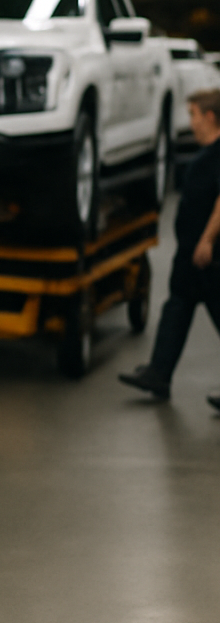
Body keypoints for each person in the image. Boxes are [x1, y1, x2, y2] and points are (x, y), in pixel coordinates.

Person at [119, 88, 220, 402]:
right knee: (177, 307)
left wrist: (207, 240)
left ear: (210, 117)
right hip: (191, 254)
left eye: (193, 115)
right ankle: (159, 374)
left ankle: (159, 373)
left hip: (211, 255)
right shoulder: (205, 155)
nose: (191, 123)